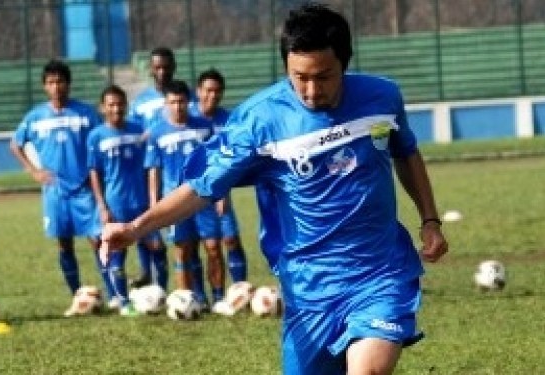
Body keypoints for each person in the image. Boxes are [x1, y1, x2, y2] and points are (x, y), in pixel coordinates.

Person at [102, 3, 449, 374]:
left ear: (345, 62)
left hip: (379, 272)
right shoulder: (260, 120)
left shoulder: (382, 98)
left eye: (324, 76)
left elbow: (406, 152)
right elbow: (201, 188)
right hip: (307, 284)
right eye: (300, 77)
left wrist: (430, 219)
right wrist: (137, 227)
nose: (312, 90)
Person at [10, 59, 112, 316]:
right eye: (51, 82)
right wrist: (34, 171)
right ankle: (77, 295)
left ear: (68, 84)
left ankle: (114, 293)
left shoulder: (86, 113)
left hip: (83, 187)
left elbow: (102, 141)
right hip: (55, 191)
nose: (57, 87)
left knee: (98, 240)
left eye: (61, 81)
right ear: (45, 86)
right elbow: (15, 144)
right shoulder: (35, 117)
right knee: (64, 244)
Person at [87, 85, 167, 316]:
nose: (116, 109)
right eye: (111, 105)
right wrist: (102, 206)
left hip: (142, 203)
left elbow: (151, 165)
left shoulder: (139, 131)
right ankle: (123, 303)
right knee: (116, 253)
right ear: (103, 108)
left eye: (120, 104)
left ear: (126, 106)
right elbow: (95, 173)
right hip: (116, 204)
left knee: (157, 249)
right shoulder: (96, 136)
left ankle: (159, 295)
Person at [143, 79, 223, 307]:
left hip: (204, 198)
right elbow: (153, 172)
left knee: (213, 247)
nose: (178, 107)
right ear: (166, 104)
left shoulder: (203, 127)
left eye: (182, 102)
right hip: (175, 201)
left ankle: (218, 298)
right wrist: (154, 205)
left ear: (189, 102)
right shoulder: (157, 132)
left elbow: (217, 164)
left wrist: (222, 195)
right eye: (173, 102)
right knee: (183, 250)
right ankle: (186, 300)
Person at [190, 69, 250, 301]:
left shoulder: (229, 121)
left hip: (221, 192)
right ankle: (209, 298)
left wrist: (223, 190)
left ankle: (240, 293)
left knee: (231, 239)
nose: (212, 96)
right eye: (207, 90)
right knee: (204, 246)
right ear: (198, 92)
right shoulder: (190, 119)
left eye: (217, 91)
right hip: (193, 194)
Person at [127, 46, 180, 288]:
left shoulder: (182, 97)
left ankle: (182, 283)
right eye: (157, 67)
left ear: (173, 68)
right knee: (146, 221)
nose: (162, 72)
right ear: (151, 69)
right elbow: (132, 135)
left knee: (179, 230)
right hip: (146, 172)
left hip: (174, 170)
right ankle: (147, 271)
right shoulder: (140, 103)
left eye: (166, 67)